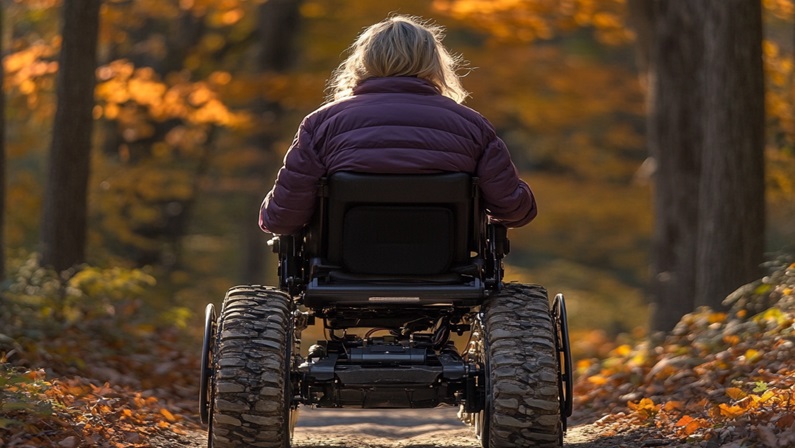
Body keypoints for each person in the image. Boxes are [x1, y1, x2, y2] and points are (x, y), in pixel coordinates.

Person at [259, 15, 537, 236]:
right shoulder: (472, 126)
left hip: (339, 269)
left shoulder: (321, 124)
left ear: (363, 61)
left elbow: (282, 219)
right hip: (449, 269)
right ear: (434, 63)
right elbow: (513, 210)